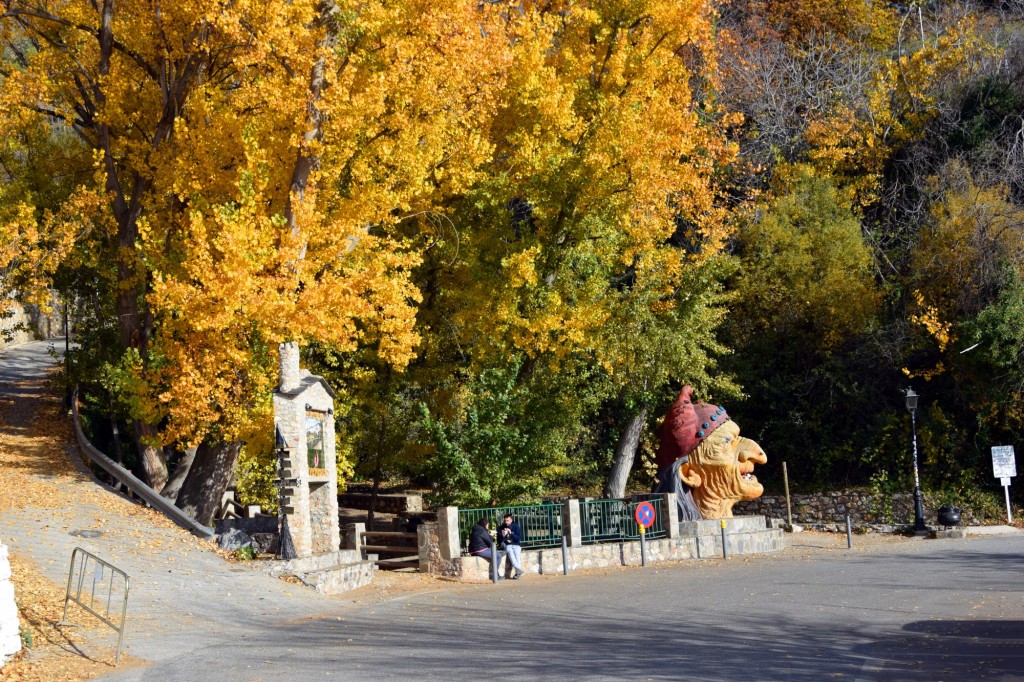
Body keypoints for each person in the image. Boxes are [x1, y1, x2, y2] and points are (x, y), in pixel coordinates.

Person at [498, 513, 524, 579]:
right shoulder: (501, 528)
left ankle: (518, 573)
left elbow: (518, 538)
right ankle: (518, 571)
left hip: (516, 545)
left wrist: (511, 533)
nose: (506, 522)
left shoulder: (516, 526)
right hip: (508, 545)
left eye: (508, 520)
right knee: (510, 553)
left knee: (517, 556)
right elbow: (499, 540)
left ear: (511, 520)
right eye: (505, 521)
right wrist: (503, 535)